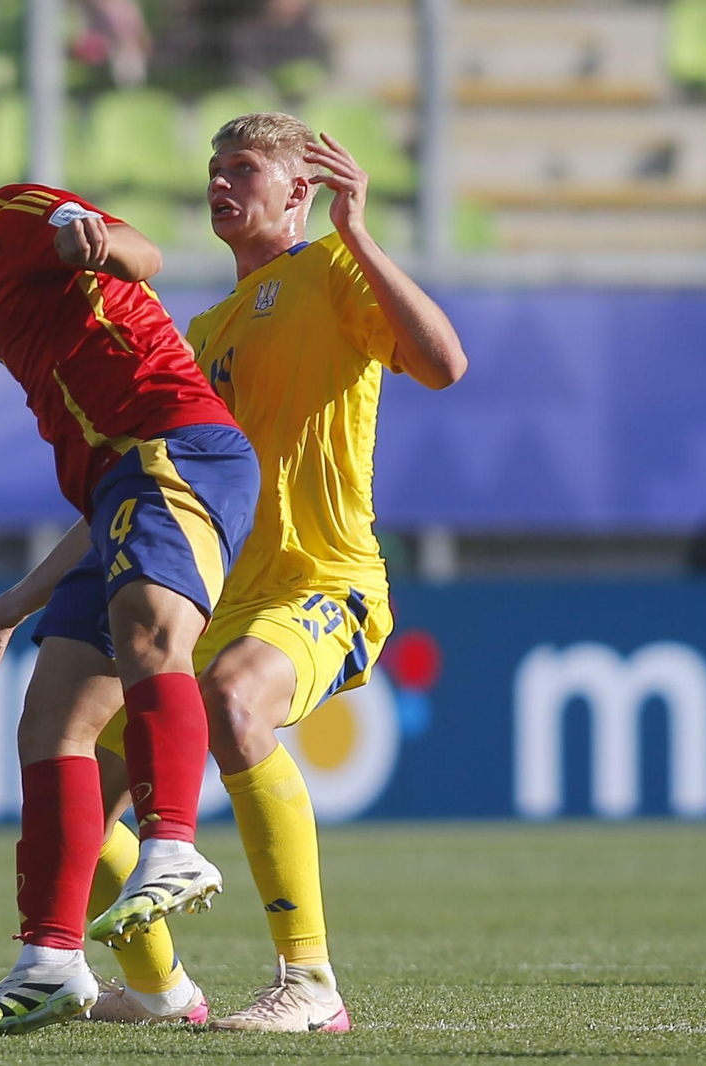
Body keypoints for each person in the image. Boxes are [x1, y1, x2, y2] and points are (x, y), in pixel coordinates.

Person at [0, 101, 259, 1035]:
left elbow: (138, 252)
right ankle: (50, 959)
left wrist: (99, 245)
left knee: (148, 638)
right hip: (124, 486)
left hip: (180, 450)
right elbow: (103, 502)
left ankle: (172, 845)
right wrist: (13, 602)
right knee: (52, 723)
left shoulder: (13, 217)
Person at [82, 111, 467, 1031]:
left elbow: (445, 365)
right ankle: (160, 992)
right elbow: (151, 474)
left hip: (325, 583)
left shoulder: (335, 270)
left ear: (300, 191)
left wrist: (360, 233)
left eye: (244, 169)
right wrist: (25, 597)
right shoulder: (203, 327)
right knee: (77, 786)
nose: (220, 183)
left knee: (230, 699)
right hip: (222, 599)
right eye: (213, 168)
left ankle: (311, 985)